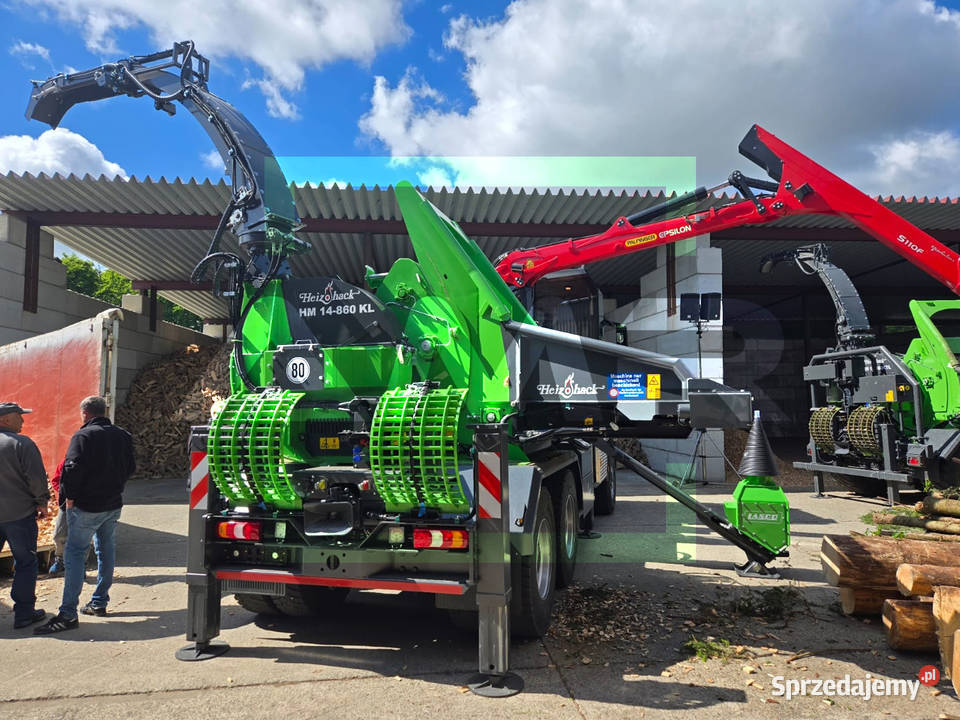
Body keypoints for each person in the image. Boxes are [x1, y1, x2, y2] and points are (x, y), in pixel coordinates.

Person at [35, 396, 134, 635]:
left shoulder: (83, 436)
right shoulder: (123, 435)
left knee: (75, 555)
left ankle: (68, 614)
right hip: (113, 504)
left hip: (87, 507)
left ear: (85, 414)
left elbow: (72, 468)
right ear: (103, 411)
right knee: (105, 550)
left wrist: (69, 497)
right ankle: (99, 602)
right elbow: (131, 467)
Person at [0, 402, 49, 629]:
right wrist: (42, 502)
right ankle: (23, 614)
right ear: (6, 420)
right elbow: (37, 479)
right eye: (19, 416)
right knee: (26, 563)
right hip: (19, 515)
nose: (23, 420)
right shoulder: (22, 444)